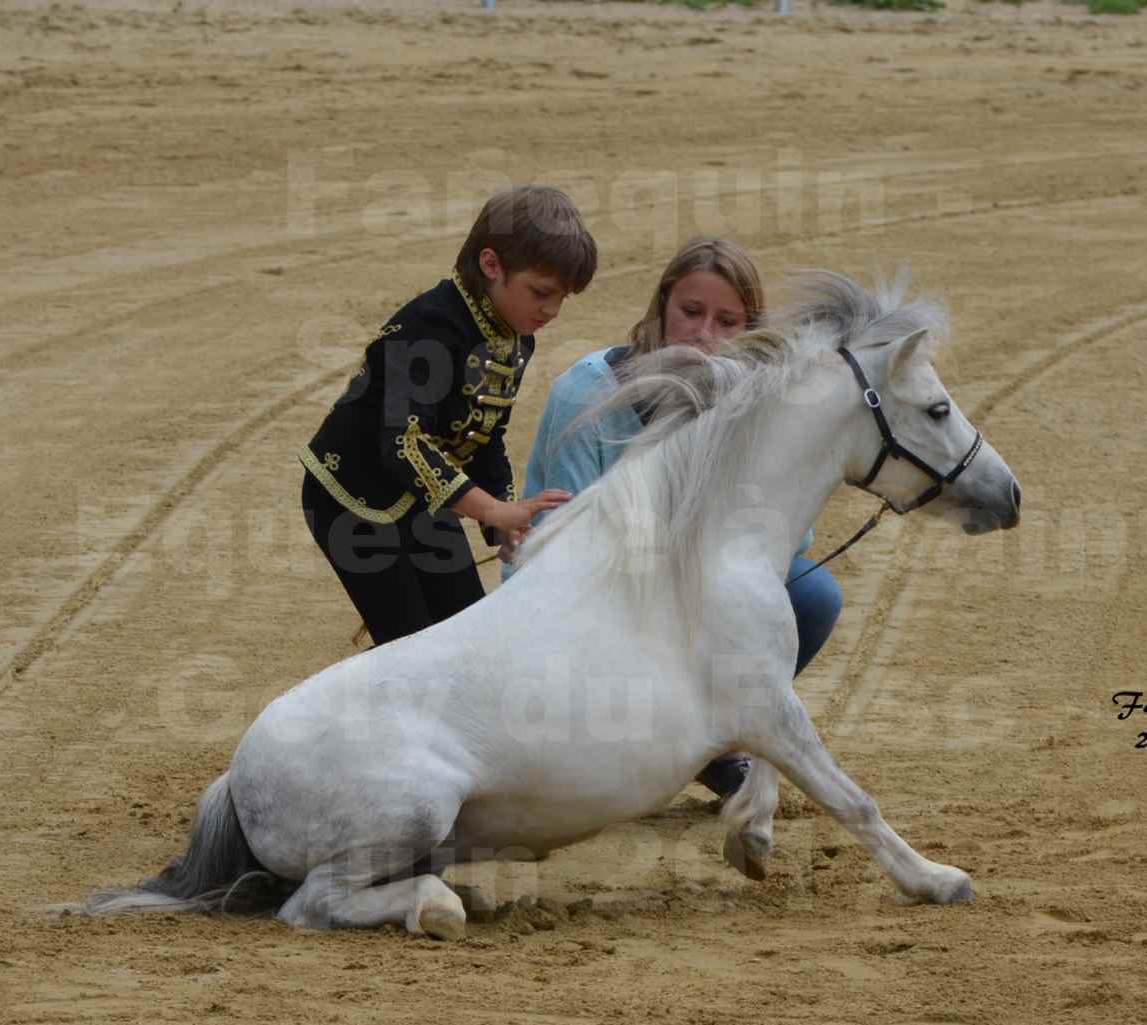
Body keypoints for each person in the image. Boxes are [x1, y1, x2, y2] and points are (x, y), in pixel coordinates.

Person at [507, 236, 844, 798]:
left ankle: (712, 746)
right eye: (690, 312)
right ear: (662, 306)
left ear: (749, 331)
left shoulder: (748, 402)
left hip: (685, 587)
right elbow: (561, 543)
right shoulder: (589, 391)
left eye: (727, 321)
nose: (705, 334)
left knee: (811, 595)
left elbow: (794, 540)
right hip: (586, 596)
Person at [300, 184, 597, 646]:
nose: (552, 311)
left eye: (562, 298)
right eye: (541, 292)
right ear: (491, 264)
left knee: (468, 636)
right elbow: (405, 444)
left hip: (427, 496)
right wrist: (492, 507)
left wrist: (501, 519)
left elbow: (485, 438)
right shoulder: (430, 325)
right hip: (352, 500)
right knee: (410, 647)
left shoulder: (514, 335)